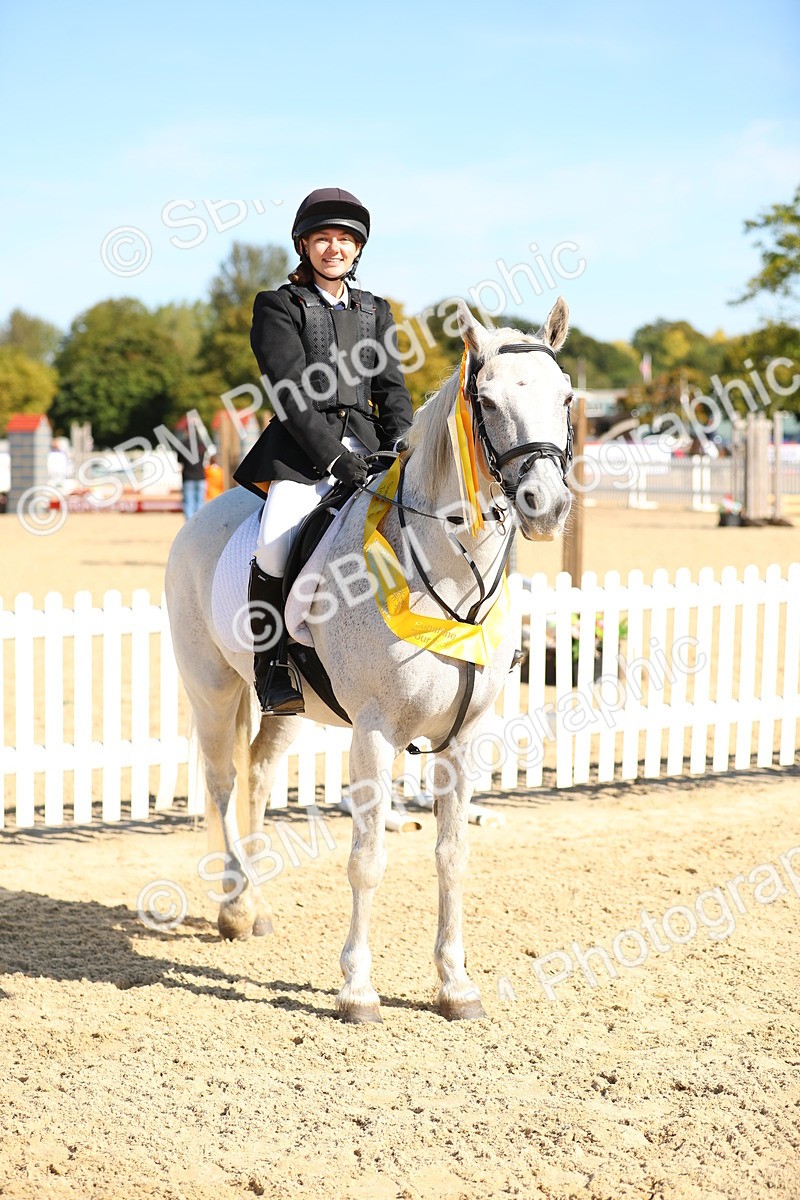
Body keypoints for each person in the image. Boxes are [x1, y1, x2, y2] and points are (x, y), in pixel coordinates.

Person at [233, 187, 413, 716]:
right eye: (323, 238)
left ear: (357, 249)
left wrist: (399, 444)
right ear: (304, 245)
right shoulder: (278, 306)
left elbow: (392, 390)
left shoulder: (375, 310)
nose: (334, 247)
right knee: (273, 544)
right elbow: (288, 392)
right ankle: (272, 667)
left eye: (345, 239)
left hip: (373, 449)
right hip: (304, 453)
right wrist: (334, 458)